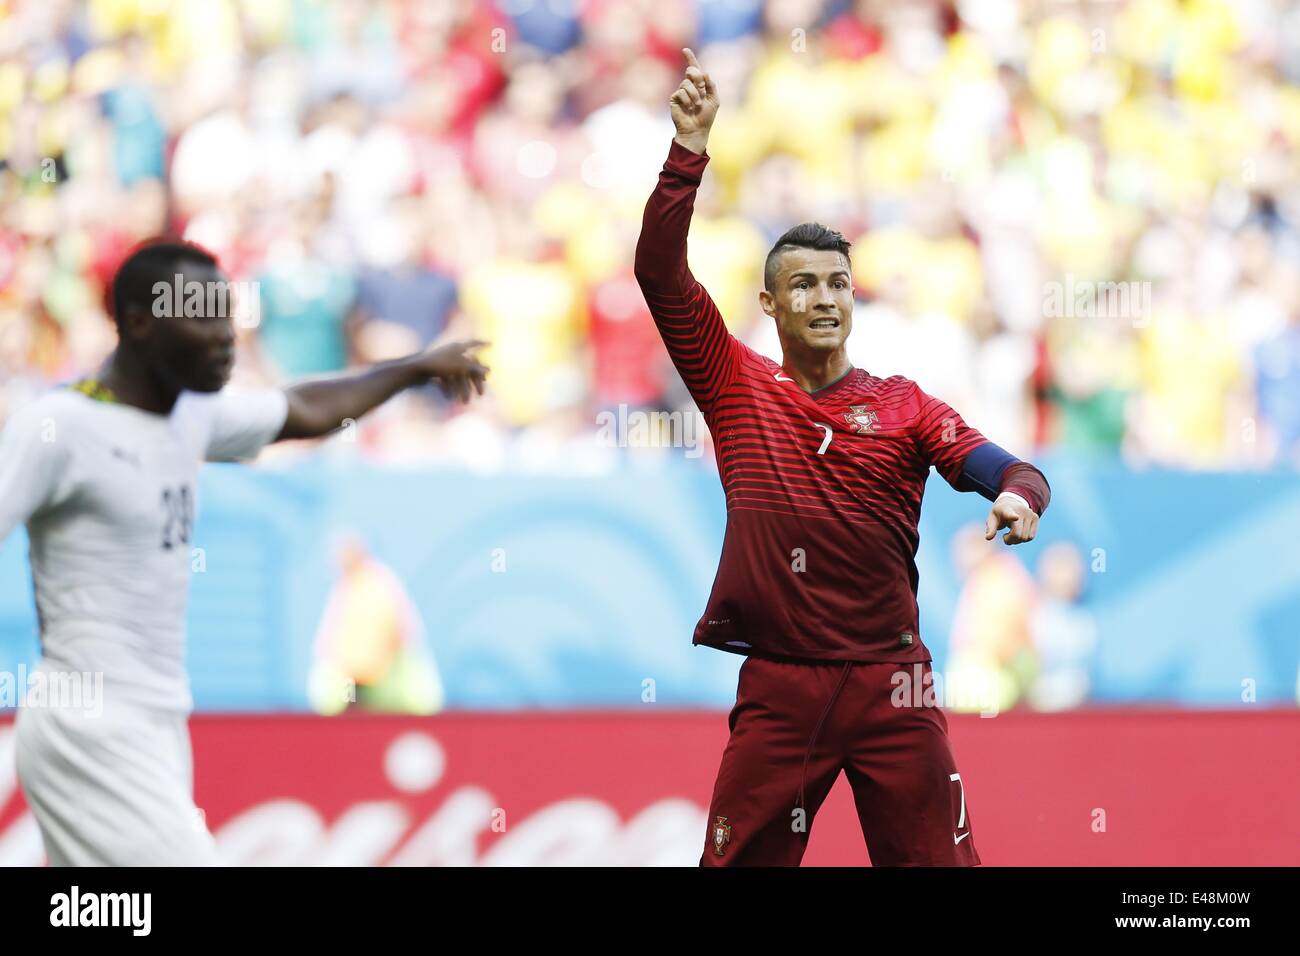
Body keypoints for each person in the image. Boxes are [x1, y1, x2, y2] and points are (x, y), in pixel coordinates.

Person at [634, 50, 1051, 866]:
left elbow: (1007, 467)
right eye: (803, 286)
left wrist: (1020, 496)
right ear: (770, 303)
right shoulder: (733, 383)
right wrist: (688, 149)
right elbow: (657, 270)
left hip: (893, 683)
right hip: (781, 686)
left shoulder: (906, 405)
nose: (823, 299)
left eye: (837, 284)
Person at [0, 239, 488, 866]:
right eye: (202, 314)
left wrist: (412, 368)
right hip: (90, 722)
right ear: (142, 323)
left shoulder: (190, 417)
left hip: (155, 721)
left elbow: (306, 409)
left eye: (227, 314)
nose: (226, 335)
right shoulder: (62, 427)